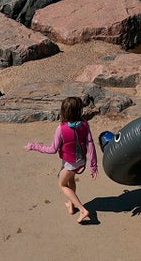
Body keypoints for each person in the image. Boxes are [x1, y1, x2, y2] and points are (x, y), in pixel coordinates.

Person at [25, 96, 97, 225]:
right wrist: (93, 165)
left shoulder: (61, 129)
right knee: (70, 180)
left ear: (63, 112)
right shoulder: (84, 124)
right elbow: (90, 144)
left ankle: (82, 210)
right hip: (80, 161)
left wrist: (34, 146)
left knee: (62, 184)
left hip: (70, 163)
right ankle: (71, 204)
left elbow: (52, 149)